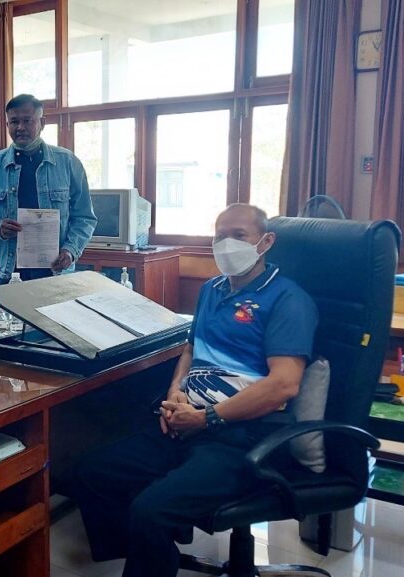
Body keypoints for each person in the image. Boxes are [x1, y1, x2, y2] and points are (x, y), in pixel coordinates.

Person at [72, 204, 319, 577]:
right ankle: (152, 554)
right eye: (220, 236)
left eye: (239, 235)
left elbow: (284, 384)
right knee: (93, 472)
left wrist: (207, 418)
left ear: (266, 242)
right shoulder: (211, 290)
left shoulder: (288, 299)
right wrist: (176, 392)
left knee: (150, 511)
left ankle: (152, 545)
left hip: (241, 437)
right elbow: (190, 350)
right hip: (188, 423)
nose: (227, 244)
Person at [0, 93, 97, 284]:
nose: (20, 127)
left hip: (55, 272)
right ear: (7, 124)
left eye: (27, 121)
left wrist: (71, 250)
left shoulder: (68, 163)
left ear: (42, 122)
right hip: (8, 272)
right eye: (14, 122)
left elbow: (85, 217)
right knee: (6, 307)